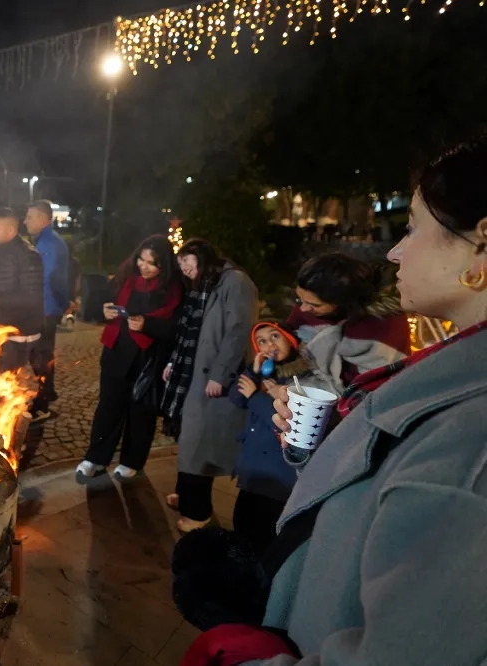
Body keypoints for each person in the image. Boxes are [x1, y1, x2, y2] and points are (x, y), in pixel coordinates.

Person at [184, 138, 487, 666]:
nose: (394, 251)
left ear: (482, 242)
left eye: (413, 227)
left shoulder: (471, 443)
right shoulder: (443, 372)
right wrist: (328, 448)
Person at [160, 239, 258, 533]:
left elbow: (238, 331)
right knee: (190, 440)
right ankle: (185, 495)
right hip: (193, 375)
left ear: (201, 256)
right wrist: (174, 362)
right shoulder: (204, 285)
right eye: (179, 263)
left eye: (186, 260)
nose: (183, 268)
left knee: (200, 445)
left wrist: (220, 374)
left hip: (212, 379)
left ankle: (197, 512)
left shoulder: (234, 281)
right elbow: (189, 331)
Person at [76, 235, 182, 481]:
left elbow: (175, 328)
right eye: (141, 260)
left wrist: (148, 325)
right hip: (117, 351)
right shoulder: (125, 277)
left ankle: (132, 460)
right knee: (108, 407)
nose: (144, 266)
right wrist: (102, 310)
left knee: (140, 412)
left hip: (148, 358)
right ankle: (96, 458)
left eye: (152, 263)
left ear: (164, 265)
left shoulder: (173, 290)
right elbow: (98, 302)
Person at [228, 322, 329, 555]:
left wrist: (256, 397)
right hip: (254, 469)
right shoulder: (265, 374)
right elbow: (237, 396)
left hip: (279, 475)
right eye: (261, 341)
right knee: (242, 524)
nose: (269, 344)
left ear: (290, 340)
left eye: (275, 336)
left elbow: (290, 423)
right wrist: (253, 371)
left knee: (265, 535)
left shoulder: (303, 379)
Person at [286, 252, 411, 392]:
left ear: (343, 302)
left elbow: (360, 391)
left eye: (315, 305)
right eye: (299, 299)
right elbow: (285, 335)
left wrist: (291, 390)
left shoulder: (378, 328)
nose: (302, 309)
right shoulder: (311, 306)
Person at [0, 210, 44, 380]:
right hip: (1, 330)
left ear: (10, 230)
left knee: (7, 384)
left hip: (20, 332)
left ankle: (44, 392)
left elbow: (33, 298)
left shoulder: (29, 255)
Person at [24, 200, 70, 421]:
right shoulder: (45, 242)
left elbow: (52, 278)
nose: (25, 221)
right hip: (44, 308)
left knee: (40, 356)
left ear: (43, 219)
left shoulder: (50, 244)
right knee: (41, 354)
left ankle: (42, 405)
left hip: (46, 309)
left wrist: (62, 304)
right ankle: (48, 393)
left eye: (30, 217)